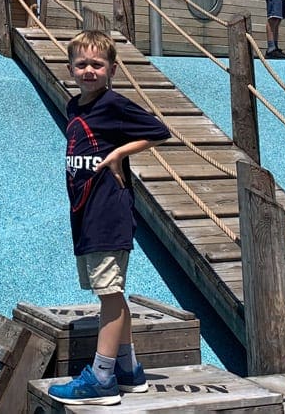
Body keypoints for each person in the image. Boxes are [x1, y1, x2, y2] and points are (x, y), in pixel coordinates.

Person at [48, 31, 171, 406]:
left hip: (108, 214)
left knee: (110, 295)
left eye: (97, 65)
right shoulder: (75, 107)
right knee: (111, 295)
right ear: (70, 68)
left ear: (112, 70)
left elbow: (159, 130)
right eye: (81, 64)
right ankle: (128, 370)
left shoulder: (113, 104)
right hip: (85, 214)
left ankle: (102, 378)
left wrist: (119, 153)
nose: (89, 71)